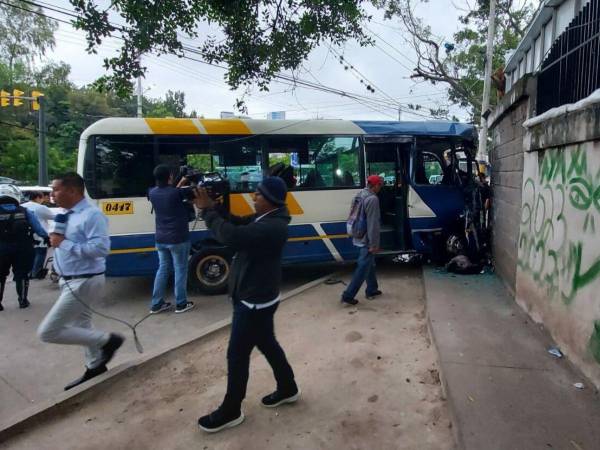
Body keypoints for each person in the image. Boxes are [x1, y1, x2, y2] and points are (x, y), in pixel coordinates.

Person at [195, 176, 299, 433]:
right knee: (268, 344)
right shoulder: (267, 219)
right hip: (258, 298)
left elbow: (233, 236)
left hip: (254, 302)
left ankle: (231, 410)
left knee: (237, 355)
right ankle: (288, 388)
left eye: (258, 194)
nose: (253, 197)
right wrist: (218, 208)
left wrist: (208, 211)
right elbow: (238, 224)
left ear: (271, 200)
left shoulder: (272, 227)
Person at [37, 172, 124, 390]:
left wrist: (63, 244)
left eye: (56, 189)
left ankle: (108, 340)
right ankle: (95, 367)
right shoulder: (64, 215)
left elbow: (101, 249)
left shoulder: (91, 215)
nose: (53, 194)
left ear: (73, 190)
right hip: (68, 280)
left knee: (48, 331)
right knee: (81, 325)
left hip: (84, 281)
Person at [147, 164, 195, 314]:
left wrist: (181, 181)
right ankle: (181, 303)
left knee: (163, 269)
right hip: (178, 238)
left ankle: (156, 304)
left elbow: (173, 191)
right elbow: (187, 195)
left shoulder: (152, 193)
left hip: (160, 239)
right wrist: (190, 181)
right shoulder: (176, 194)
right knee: (180, 269)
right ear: (169, 177)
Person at [0, 184, 48, 310]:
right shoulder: (24, 211)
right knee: (22, 274)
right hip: (23, 247)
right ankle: (22, 300)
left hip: (1, 248)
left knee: (0, 275)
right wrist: (47, 238)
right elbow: (39, 229)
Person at [341, 175, 384, 305]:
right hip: (366, 237)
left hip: (357, 232)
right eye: (380, 185)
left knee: (369, 263)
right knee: (364, 265)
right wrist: (374, 244)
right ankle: (348, 295)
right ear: (375, 186)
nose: (381, 188)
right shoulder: (372, 199)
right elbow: (373, 224)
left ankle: (372, 289)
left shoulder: (359, 194)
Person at [22, 191, 56, 278]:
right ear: (37, 198)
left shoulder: (22, 206)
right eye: (42, 198)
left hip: (25, 234)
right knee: (40, 253)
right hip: (39, 234)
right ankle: (36, 272)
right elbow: (53, 217)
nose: (43, 200)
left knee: (28, 254)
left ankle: (28, 272)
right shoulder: (40, 207)